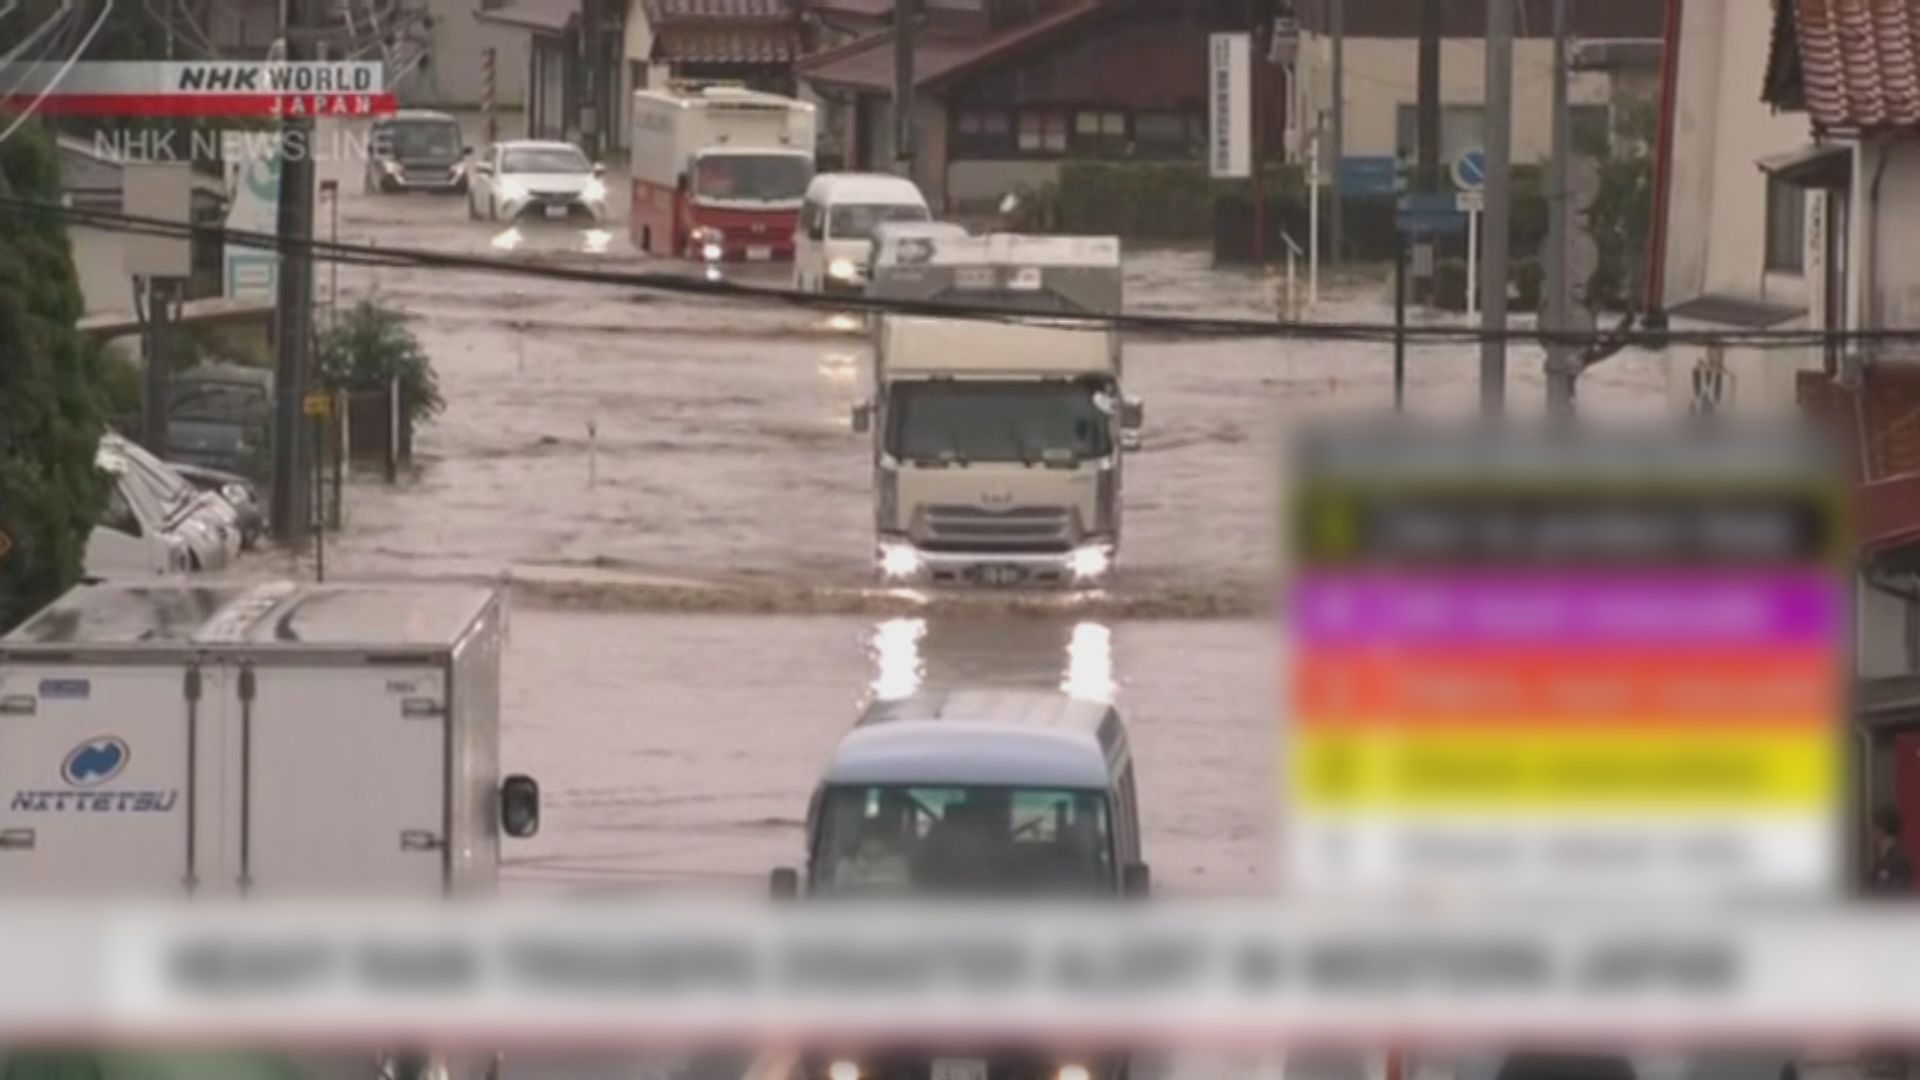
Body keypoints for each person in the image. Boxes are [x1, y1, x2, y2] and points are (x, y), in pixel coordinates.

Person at [834, 826, 910, 892]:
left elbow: (907, 893)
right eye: (868, 840)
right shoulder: (846, 865)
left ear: (885, 843)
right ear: (861, 842)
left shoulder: (897, 864)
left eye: (878, 841)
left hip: (892, 907)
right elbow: (838, 896)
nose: (873, 845)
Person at [1869, 806, 1914, 897]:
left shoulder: (1899, 860)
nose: (1870, 832)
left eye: (1872, 827)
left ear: (1881, 829)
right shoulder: (1882, 858)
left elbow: (1898, 898)